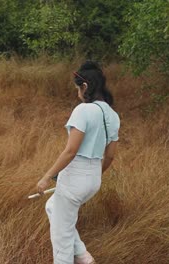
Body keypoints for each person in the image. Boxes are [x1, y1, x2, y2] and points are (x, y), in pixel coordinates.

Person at [37, 61, 120, 264]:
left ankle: (77, 257)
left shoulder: (84, 110)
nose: (77, 93)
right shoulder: (113, 115)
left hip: (74, 179)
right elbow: (110, 156)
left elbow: (71, 151)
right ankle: (83, 255)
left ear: (85, 87)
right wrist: (94, 175)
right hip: (93, 180)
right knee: (52, 206)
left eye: (77, 88)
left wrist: (46, 177)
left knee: (61, 239)